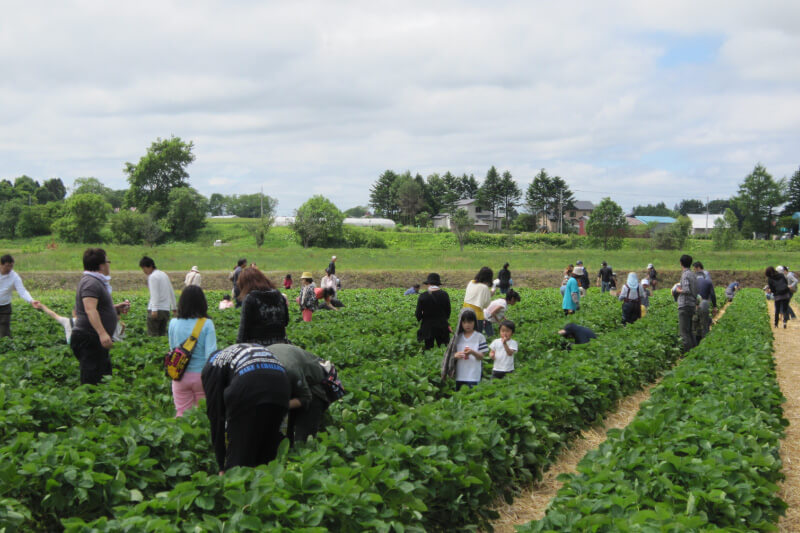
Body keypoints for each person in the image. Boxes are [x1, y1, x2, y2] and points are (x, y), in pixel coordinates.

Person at [201, 343, 290, 473]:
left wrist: (221, 464)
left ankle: (237, 482)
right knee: (269, 450)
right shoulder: (235, 352)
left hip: (247, 384)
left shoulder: (211, 367)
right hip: (281, 385)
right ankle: (268, 485)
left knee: (239, 454)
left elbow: (216, 416)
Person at [70, 248, 130, 385]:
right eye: (108, 261)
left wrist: (114, 308)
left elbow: (94, 308)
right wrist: (103, 334)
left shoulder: (95, 282)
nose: (109, 265)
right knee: (92, 380)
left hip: (93, 338)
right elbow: (90, 310)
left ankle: (98, 404)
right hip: (89, 338)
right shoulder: (91, 283)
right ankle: (90, 405)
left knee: (102, 375)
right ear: (101, 265)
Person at [168, 286, 217, 417]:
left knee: (182, 415)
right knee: (204, 416)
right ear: (202, 303)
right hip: (202, 377)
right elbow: (211, 355)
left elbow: (173, 350)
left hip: (179, 375)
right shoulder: (207, 324)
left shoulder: (173, 323)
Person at [236, 268, 290, 345]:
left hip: (258, 346)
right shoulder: (279, 295)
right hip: (280, 343)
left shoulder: (250, 298)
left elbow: (243, 330)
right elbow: (286, 321)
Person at [441, 309, 488, 391]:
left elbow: (481, 357)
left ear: (475, 322)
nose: (467, 325)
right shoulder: (457, 338)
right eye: (464, 322)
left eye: (470, 322)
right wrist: (455, 355)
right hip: (459, 375)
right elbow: (450, 355)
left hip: (474, 375)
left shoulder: (479, 337)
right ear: (460, 323)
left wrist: (472, 352)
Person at [0, 254, 39, 337]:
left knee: (4, 332)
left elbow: (22, 291)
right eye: (7, 266)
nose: (9, 269)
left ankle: (6, 347)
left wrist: (31, 300)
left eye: (11, 266)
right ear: (1, 264)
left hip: (5, 307)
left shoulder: (14, 276)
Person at [139, 256, 177, 337]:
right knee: (162, 336)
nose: (143, 271)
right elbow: (171, 291)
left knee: (153, 336)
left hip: (156, 311)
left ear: (150, 266)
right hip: (165, 311)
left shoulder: (152, 277)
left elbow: (154, 294)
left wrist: (154, 309)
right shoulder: (164, 274)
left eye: (144, 268)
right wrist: (174, 307)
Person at [416, 273, 452, 350]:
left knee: (428, 348)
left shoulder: (423, 296)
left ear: (428, 284)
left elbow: (418, 314)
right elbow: (448, 312)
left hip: (427, 327)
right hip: (442, 325)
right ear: (438, 284)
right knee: (444, 349)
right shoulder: (444, 295)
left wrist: (423, 316)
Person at [674, 254, 698, 352]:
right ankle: (695, 351)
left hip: (685, 305)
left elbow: (687, 290)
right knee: (690, 330)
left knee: (683, 332)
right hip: (692, 304)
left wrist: (678, 290)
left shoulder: (685, 274)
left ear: (681, 263)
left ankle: (688, 354)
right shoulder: (693, 274)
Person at [463, 267, 493, 333]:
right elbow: (486, 305)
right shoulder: (485, 288)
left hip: (465, 313)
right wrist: (489, 294)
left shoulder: (471, 282)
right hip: (476, 316)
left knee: (466, 335)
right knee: (476, 337)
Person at [695, 270, 717, 341]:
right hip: (704, 304)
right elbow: (713, 295)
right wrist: (714, 306)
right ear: (704, 276)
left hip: (694, 305)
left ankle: (696, 343)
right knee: (705, 325)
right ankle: (705, 342)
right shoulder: (708, 282)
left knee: (695, 325)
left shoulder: (693, 282)